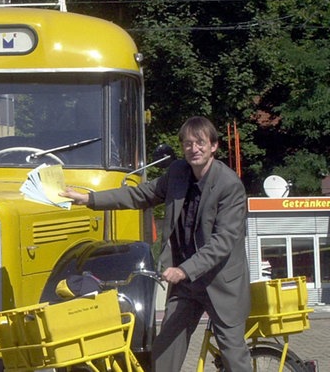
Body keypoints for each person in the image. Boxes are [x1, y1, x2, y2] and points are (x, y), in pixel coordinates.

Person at [60, 116, 251, 371]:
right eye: (188, 143)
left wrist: (183, 269)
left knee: (232, 354)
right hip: (188, 286)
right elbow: (140, 194)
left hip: (220, 283)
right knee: (165, 350)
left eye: (200, 143)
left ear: (214, 146)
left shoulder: (229, 186)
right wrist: (89, 198)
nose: (194, 149)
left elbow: (222, 242)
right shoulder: (177, 173)